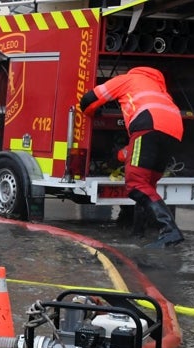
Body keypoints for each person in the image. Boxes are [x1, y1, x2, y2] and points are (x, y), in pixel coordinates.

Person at [79, 66, 184, 248]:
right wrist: (119, 156)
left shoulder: (128, 79)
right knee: (147, 185)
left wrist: (93, 113)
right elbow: (135, 149)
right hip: (175, 129)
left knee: (136, 184)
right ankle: (138, 234)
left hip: (148, 124)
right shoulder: (159, 89)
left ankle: (170, 230)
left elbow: (88, 100)